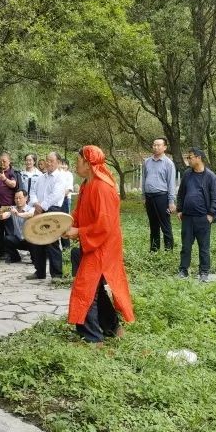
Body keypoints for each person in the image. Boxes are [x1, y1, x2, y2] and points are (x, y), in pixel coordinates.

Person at [64, 146, 135, 345]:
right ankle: (113, 327)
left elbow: (105, 225)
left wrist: (79, 232)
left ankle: (93, 338)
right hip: (94, 243)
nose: (75, 164)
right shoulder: (87, 184)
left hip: (103, 246)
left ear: (88, 163)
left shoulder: (102, 187)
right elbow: (80, 212)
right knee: (94, 287)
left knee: (85, 288)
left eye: (78, 160)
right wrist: (66, 223)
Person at [176, 148, 216, 282]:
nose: (188, 160)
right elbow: (181, 193)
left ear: (198, 158)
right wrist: (180, 209)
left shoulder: (210, 176)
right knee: (186, 246)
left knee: (204, 247)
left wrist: (211, 214)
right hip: (187, 217)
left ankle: (204, 272)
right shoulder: (187, 174)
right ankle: (183, 270)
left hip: (203, 217)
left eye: (190, 157)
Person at [28, 152, 68, 280]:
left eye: (51, 161)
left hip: (52, 210)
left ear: (58, 163)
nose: (48, 163)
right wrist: (35, 203)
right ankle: (39, 272)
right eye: (47, 160)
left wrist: (42, 206)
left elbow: (56, 195)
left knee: (52, 241)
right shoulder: (41, 177)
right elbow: (32, 191)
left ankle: (56, 274)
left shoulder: (60, 178)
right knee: (37, 240)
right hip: (39, 209)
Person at [142, 138, 177, 252]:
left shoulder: (168, 163)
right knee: (153, 225)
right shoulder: (147, 162)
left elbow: (171, 183)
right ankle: (154, 250)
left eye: (158, 145)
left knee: (165, 225)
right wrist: (143, 196)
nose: (156, 147)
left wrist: (171, 201)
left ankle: (168, 251)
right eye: (154, 145)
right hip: (149, 197)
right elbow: (144, 179)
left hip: (162, 197)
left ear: (165, 147)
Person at [0, 189, 34, 263]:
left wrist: (18, 214)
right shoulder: (12, 208)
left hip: (30, 240)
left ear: (26, 198)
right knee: (7, 239)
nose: (18, 200)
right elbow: (3, 216)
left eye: (20, 198)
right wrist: (0, 214)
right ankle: (15, 257)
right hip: (18, 239)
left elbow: (30, 214)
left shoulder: (31, 209)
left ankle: (35, 257)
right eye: (16, 198)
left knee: (36, 257)